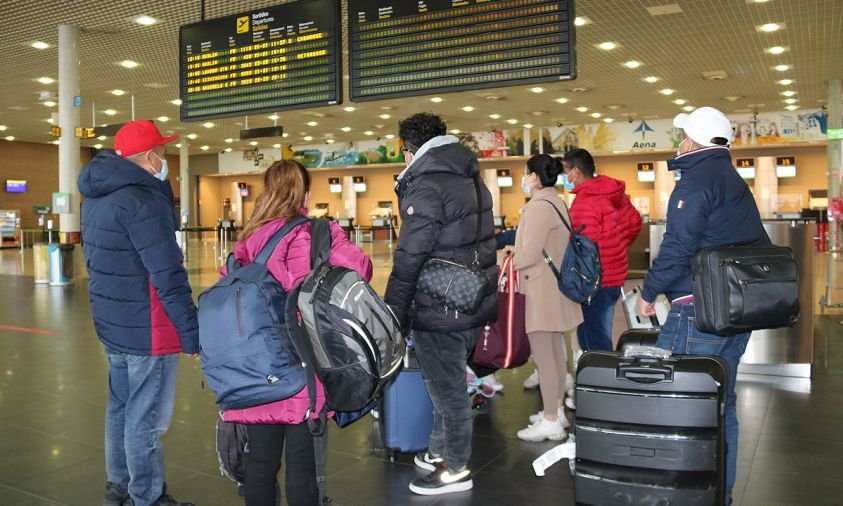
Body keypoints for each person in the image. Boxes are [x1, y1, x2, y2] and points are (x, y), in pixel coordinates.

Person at [222, 160, 372, 505]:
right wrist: (337, 237)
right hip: (304, 362)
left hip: (256, 365)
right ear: (304, 192)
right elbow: (360, 268)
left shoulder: (248, 238)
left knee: (260, 462)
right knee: (302, 466)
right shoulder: (317, 232)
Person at [637, 106, 764, 504]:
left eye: (682, 136)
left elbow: (678, 247)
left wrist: (648, 291)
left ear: (691, 141)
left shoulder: (695, 182)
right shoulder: (731, 178)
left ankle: (684, 496)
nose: (679, 143)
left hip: (698, 311)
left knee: (681, 407)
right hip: (735, 310)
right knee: (721, 406)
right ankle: (718, 496)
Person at [77, 120, 198, 506]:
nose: (167, 162)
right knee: (145, 419)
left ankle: (120, 485)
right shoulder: (143, 202)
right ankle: (146, 495)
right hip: (150, 327)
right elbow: (167, 274)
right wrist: (190, 333)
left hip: (113, 323)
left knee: (121, 407)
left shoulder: (96, 198)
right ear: (150, 157)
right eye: (163, 154)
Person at [385, 113, 497, 496]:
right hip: (470, 297)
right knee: (444, 384)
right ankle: (438, 450)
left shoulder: (427, 185)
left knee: (448, 393)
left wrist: (393, 314)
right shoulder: (472, 178)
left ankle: (456, 468)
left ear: (408, 149)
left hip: (439, 305)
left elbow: (409, 257)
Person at [513, 154, 584, 442]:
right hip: (554, 288)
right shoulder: (557, 202)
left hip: (541, 290)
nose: (524, 178)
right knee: (555, 352)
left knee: (545, 358)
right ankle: (554, 411)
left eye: (526, 173)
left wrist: (505, 263)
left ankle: (552, 420)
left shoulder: (539, 207)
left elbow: (529, 254)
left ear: (533, 176)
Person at [562, 148, 642, 351]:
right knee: (598, 329)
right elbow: (635, 224)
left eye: (566, 171)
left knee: (593, 336)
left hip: (594, 281)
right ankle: (597, 376)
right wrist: (617, 249)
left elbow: (583, 247)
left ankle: (600, 379)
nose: (565, 176)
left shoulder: (584, 202)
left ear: (576, 172)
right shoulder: (615, 194)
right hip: (615, 276)